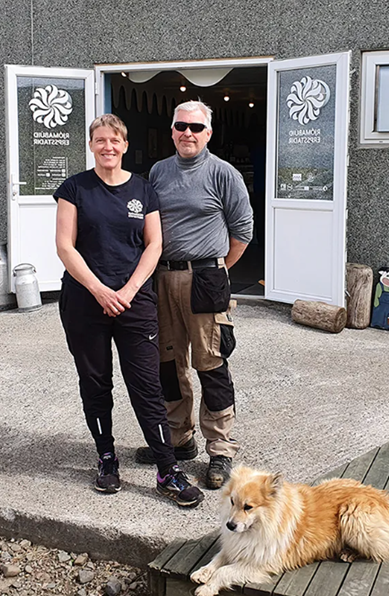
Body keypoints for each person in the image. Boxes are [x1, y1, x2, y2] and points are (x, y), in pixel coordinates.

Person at [54, 113, 203, 508]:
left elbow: (154, 244)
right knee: (96, 383)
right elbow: (65, 247)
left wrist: (130, 289)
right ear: (91, 145)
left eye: (114, 140)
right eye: (100, 140)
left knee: (148, 386)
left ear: (124, 144)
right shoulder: (74, 189)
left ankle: (167, 469)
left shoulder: (142, 189)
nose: (108, 147)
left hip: (135, 303)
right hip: (86, 301)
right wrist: (100, 290)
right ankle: (107, 458)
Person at [134, 100, 253, 489]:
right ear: (171, 131)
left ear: (209, 134)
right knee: (167, 362)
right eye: (181, 126)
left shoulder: (224, 174)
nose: (188, 133)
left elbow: (242, 232)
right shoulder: (159, 172)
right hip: (163, 278)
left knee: (211, 363)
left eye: (196, 128)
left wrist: (217, 271)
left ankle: (219, 449)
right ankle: (179, 438)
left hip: (206, 278)